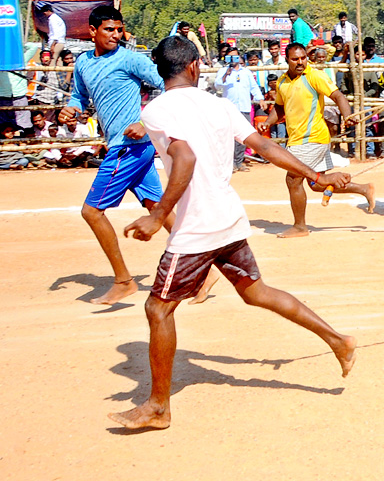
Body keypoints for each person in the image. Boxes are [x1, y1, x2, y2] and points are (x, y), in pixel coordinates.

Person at [107, 35, 356, 431]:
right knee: (256, 292)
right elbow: (264, 145)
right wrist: (317, 176)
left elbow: (184, 158)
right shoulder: (220, 104)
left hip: (197, 226)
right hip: (227, 217)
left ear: (161, 71)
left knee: (158, 308)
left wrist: (158, 214)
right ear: (194, 67)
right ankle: (338, 339)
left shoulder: (156, 110)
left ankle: (158, 407)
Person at [60, 5, 173, 305]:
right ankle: (206, 270)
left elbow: (170, 86)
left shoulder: (131, 59)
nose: (116, 34)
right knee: (158, 209)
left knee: (91, 211)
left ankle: (124, 281)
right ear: (92, 31)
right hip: (124, 146)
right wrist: (71, 110)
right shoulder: (83, 63)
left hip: (129, 148)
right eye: (109, 29)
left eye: (119, 29)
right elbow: (79, 97)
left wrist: (147, 123)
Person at [260, 42, 375, 237]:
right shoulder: (282, 82)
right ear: (287, 60)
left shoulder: (314, 76)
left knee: (293, 180)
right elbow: (279, 108)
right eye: (295, 59)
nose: (300, 62)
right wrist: (269, 123)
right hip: (298, 140)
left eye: (303, 58)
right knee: (316, 184)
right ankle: (364, 189)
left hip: (312, 138)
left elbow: (338, 96)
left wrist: (347, 115)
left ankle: (299, 227)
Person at [214, 46, 264, 172]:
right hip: (229, 109)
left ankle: (239, 161)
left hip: (244, 107)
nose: (233, 59)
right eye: (230, 57)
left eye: (235, 56)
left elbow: (254, 87)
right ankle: (229, 163)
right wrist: (226, 74)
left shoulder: (246, 72)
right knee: (228, 137)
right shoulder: (223, 71)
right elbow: (217, 85)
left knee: (243, 136)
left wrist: (260, 99)